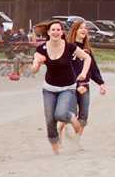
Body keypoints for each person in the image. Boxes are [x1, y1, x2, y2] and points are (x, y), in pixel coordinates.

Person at [31, 20, 92, 155]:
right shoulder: (42, 49)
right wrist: (38, 64)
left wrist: (83, 74)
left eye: (58, 30)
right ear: (48, 32)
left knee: (60, 113)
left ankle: (71, 117)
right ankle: (56, 151)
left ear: (62, 32)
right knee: (50, 119)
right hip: (49, 88)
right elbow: (33, 70)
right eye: (53, 30)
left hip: (67, 87)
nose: (56, 32)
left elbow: (87, 58)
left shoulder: (69, 47)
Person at [63, 21, 106, 136]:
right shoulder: (69, 47)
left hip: (85, 84)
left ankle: (76, 139)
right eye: (80, 28)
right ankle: (60, 129)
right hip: (71, 85)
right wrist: (76, 85)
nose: (83, 30)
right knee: (71, 114)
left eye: (86, 28)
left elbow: (93, 68)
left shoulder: (87, 50)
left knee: (84, 115)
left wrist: (101, 83)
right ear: (75, 30)